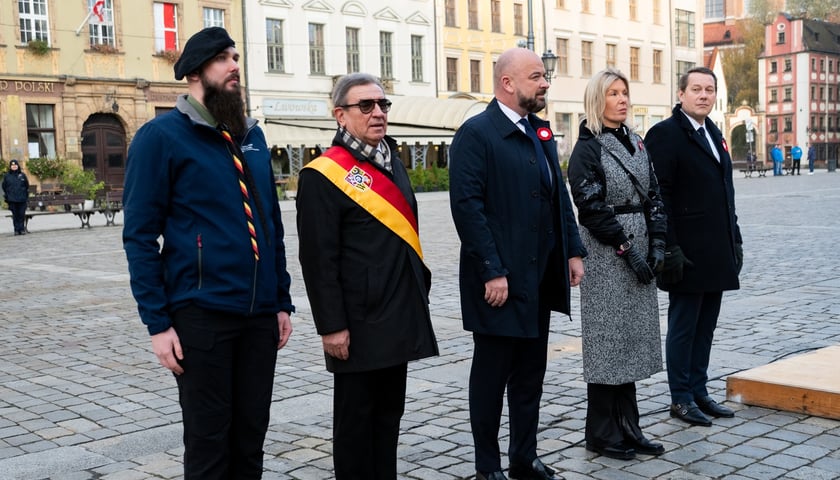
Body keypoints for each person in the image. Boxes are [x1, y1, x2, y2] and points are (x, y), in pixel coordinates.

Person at [122, 27, 294, 479]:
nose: (235, 65)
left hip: (259, 316)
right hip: (202, 315)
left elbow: (270, 224)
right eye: (223, 58)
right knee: (209, 441)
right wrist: (158, 324)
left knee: (251, 436)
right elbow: (139, 236)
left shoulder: (250, 137)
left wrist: (280, 300)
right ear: (196, 71)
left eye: (236, 56)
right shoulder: (161, 137)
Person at [449, 47, 586, 480]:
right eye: (537, 76)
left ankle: (524, 458)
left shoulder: (539, 132)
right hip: (499, 283)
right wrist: (492, 269)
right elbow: (467, 208)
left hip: (538, 278)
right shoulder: (476, 134)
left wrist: (573, 249)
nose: (545, 83)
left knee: (530, 377)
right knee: (491, 381)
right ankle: (488, 467)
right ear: (508, 83)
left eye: (545, 76)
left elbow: (557, 194)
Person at [296, 72, 438, 480]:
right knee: (356, 425)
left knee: (389, 417)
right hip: (357, 320)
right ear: (341, 115)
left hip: (398, 312)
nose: (378, 113)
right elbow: (318, 260)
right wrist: (332, 326)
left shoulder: (392, 161)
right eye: (366, 106)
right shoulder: (321, 175)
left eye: (383, 105)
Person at [567, 68, 667, 460]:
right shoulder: (587, 148)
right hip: (607, 255)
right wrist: (628, 249)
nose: (622, 99)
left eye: (625, 92)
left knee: (632, 341)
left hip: (640, 245)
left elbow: (655, 195)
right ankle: (602, 432)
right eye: (613, 93)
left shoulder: (637, 142)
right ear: (598, 99)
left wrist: (657, 245)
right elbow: (589, 207)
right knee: (607, 344)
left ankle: (630, 426)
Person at [644, 66, 743, 428]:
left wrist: (735, 237)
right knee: (684, 326)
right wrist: (667, 245)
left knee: (706, 326)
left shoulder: (713, 133)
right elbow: (659, 196)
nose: (704, 95)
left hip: (715, 248)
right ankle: (681, 398)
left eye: (709, 89)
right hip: (684, 250)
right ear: (681, 94)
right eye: (697, 89)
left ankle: (699, 390)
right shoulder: (666, 134)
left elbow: (725, 192)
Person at [3, 159, 29, 235]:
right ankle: (16, 230)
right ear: (10, 167)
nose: (14, 166)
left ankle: (22, 229)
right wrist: (8, 194)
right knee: (15, 215)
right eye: (12, 165)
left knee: (21, 214)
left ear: (18, 166)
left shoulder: (22, 175)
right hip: (12, 199)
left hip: (22, 199)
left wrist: (24, 194)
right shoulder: (7, 176)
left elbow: (26, 185)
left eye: (15, 165)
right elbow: (4, 186)